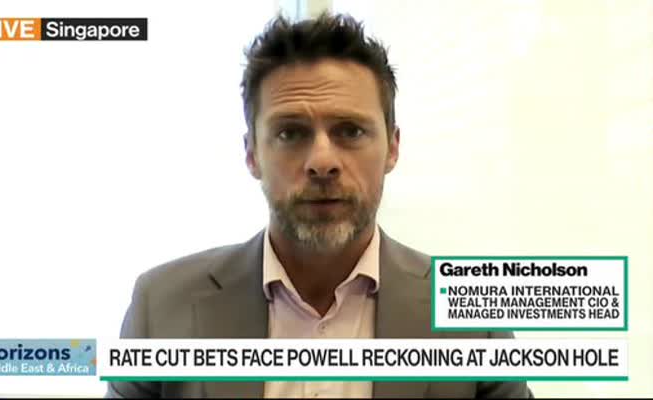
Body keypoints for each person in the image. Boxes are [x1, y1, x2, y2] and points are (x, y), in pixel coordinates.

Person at [106, 12, 533, 399]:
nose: (322, 162)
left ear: (393, 148)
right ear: (252, 154)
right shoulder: (162, 305)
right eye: (291, 133)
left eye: (350, 131)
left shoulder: (471, 318)